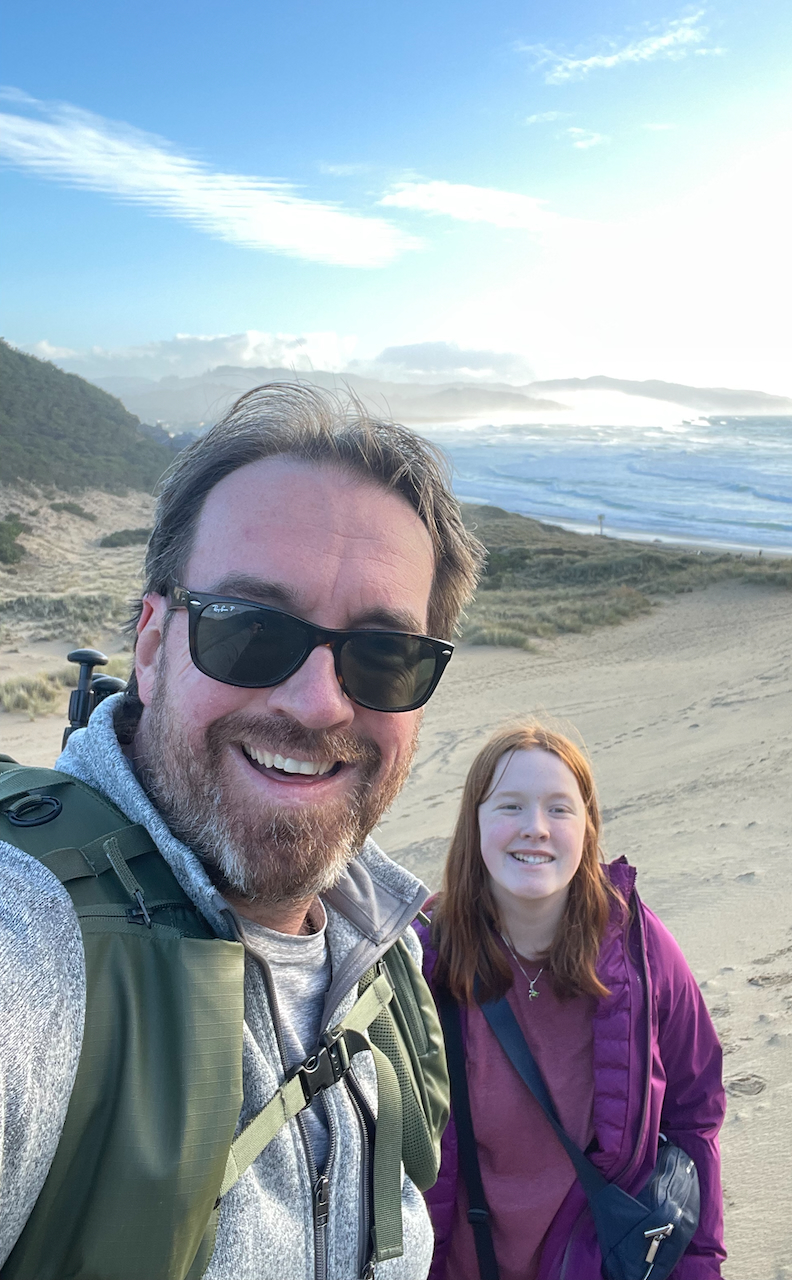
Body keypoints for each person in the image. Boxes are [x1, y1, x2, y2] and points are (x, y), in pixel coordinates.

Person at [0, 384, 484, 1280]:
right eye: (252, 630)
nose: (317, 703)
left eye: (383, 655)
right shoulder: (29, 943)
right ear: (151, 645)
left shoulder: (387, 962)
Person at [415, 722, 726, 1280]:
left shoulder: (637, 948)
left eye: (559, 809)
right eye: (510, 806)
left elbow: (694, 1112)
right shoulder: (423, 959)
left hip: (596, 1261)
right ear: (475, 824)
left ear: (587, 827)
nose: (535, 829)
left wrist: (698, 1268)